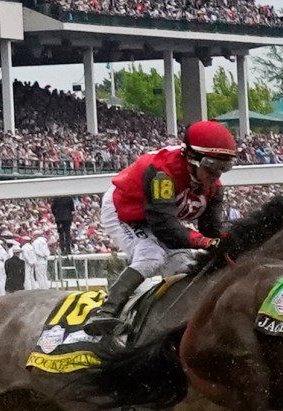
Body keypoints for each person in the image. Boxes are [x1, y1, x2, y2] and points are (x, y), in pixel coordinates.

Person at [82, 120, 236, 343]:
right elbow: (166, 229)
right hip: (124, 210)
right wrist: (205, 243)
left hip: (158, 218)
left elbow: (211, 228)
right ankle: (106, 311)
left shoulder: (213, 186)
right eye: (212, 165)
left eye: (225, 167)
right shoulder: (163, 174)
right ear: (191, 157)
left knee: (184, 267)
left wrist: (231, 239)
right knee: (152, 257)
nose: (216, 174)